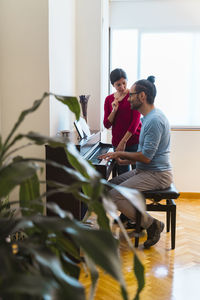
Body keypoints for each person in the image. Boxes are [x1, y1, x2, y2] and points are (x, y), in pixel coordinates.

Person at [99, 76, 173, 248]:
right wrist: (122, 160)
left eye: (131, 95)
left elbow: (146, 157)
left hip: (157, 174)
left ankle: (152, 224)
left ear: (142, 96)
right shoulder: (148, 117)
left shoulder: (154, 120)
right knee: (108, 187)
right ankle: (139, 219)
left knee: (113, 195)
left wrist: (119, 154)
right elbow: (145, 157)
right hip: (145, 170)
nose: (127, 97)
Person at [103, 68, 141, 176]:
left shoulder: (134, 96)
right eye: (118, 85)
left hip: (134, 142)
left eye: (124, 83)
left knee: (137, 175)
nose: (122, 87)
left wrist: (123, 142)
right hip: (117, 143)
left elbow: (135, 123)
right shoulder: (109, 99)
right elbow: (106, 124)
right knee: (122, 176)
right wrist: (114, 110)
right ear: (113, 85)